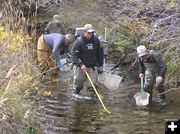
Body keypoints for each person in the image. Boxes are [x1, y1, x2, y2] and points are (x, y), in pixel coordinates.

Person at [71, 24, 103, 94]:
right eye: (89, 32)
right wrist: (80, 65)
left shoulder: (96, 40)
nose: (91, 34)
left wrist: (101, 64)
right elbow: (73, 56)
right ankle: (76, 97)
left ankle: (91, 101)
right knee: (78, 86)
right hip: (80, 66)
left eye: (92, 32)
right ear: (84, 32)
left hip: (92, 66)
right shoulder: (78, 42)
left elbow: (99, 53)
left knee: (92, 87)